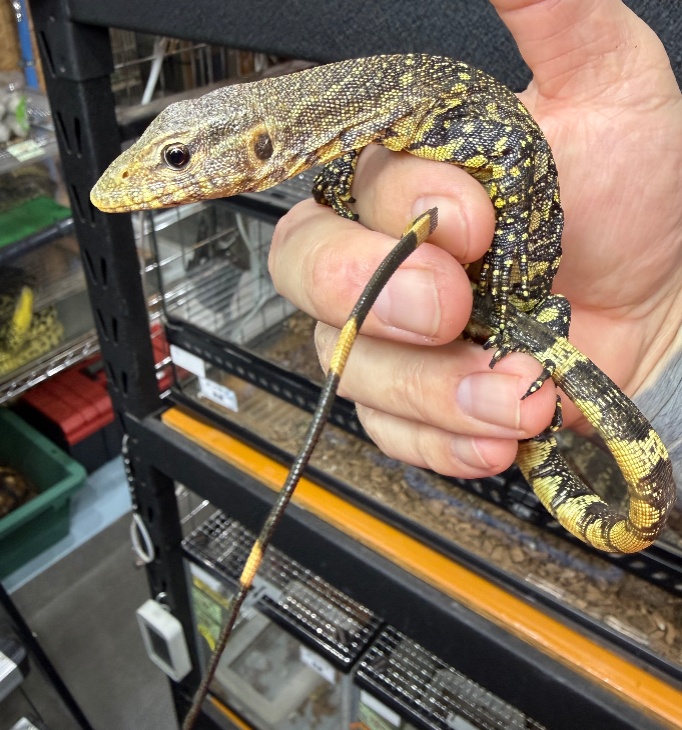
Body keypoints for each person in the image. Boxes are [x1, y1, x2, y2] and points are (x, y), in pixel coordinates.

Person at [268, 0, 681, 492]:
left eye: (182, 158)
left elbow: (512, 155)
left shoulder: (427, 117)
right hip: (533, 340)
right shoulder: (381, 125)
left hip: (529, 315)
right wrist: (658, 359)